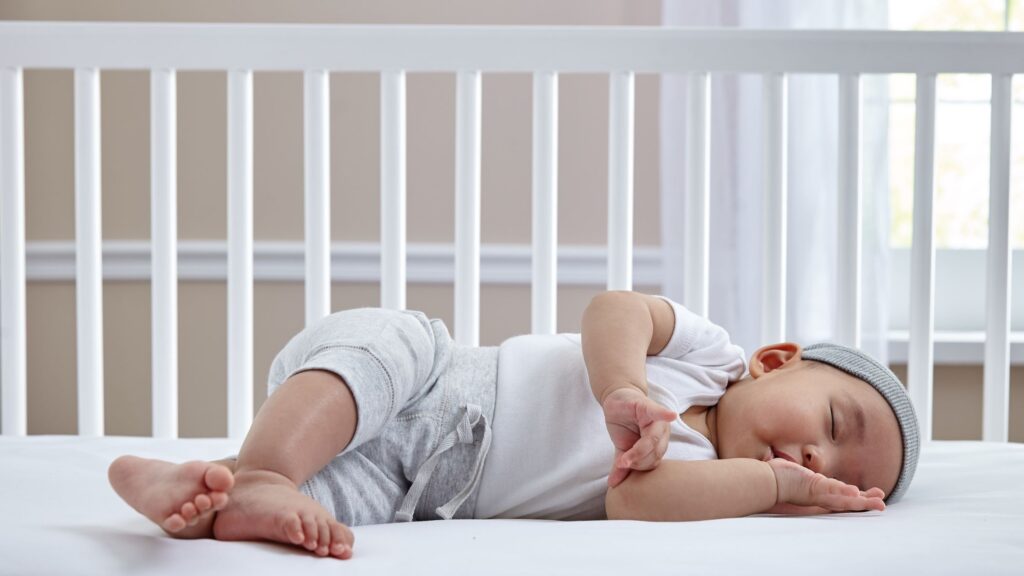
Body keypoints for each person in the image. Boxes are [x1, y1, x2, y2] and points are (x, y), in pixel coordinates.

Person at [108, 290, 920, 561]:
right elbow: (615, 309)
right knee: (380, 350)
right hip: (437, 382)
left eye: (840, 475)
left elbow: (634, 502)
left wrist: (776, 483)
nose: (821, 455)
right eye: (835, 421)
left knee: (324, 507)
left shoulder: (717, 486)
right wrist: (624, 389)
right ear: (778, 361)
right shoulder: (711, 357)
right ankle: (263, 468)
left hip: (426, 493)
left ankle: (200, 486)